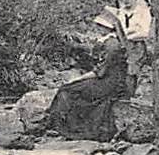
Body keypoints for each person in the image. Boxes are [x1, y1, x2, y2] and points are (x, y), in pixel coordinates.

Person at [42, 9, 130, 141]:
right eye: (99, 26)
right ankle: (62, 124)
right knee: (70, 88)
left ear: (107, 28)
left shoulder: (112, 46)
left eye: (101, 26)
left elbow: (99, 71)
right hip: (108, 80)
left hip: (108, 83)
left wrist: (77, 79)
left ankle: (64, 127)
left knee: (67, 89)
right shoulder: (108, 42)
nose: (98, 28)